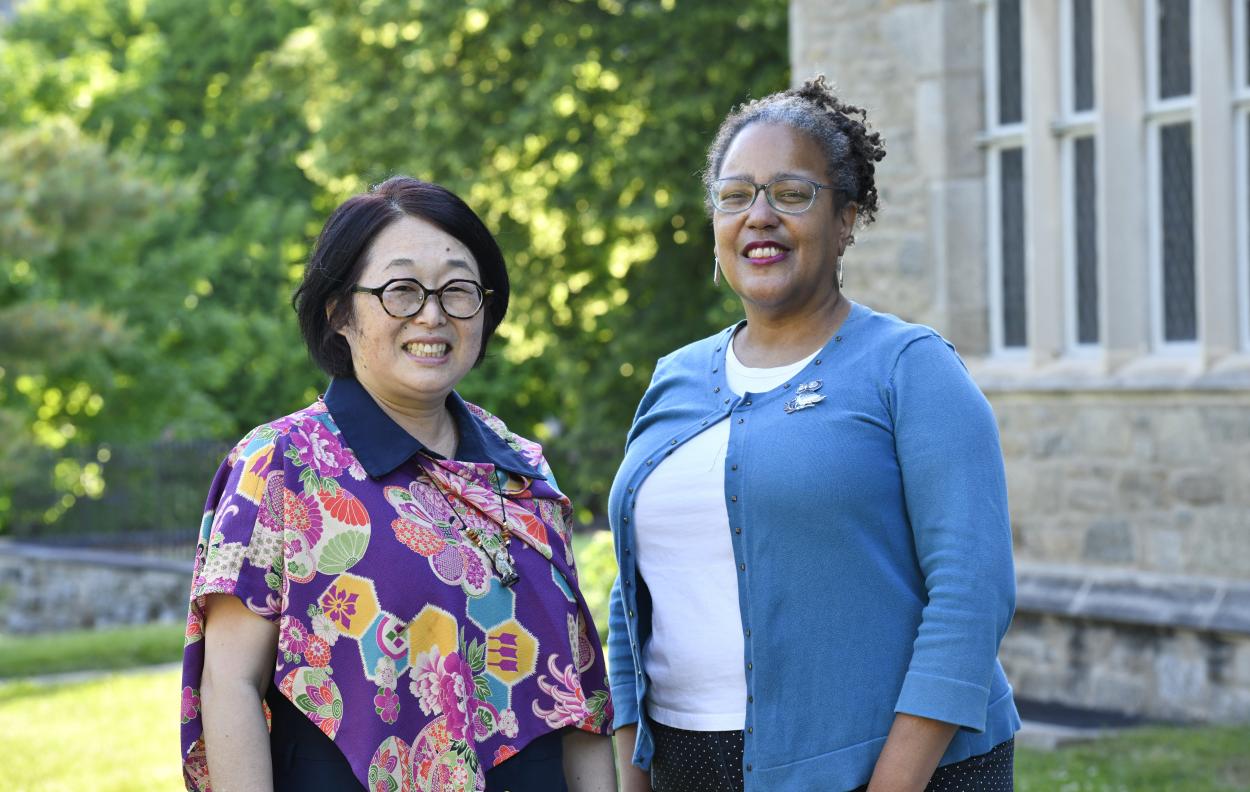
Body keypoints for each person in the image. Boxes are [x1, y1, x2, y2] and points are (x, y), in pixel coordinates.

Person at [606, 77, 1020, 792]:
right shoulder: (673, 377)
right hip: (689, 762)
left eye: (791, 194)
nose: (758, 216)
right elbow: (631, 598)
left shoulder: (908, 368)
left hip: (896, 766)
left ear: (848, 218)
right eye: (735, 196)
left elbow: (971, 591)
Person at [179, 176, 615, 792]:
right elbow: (230, 686)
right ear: (339, 312)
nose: (433, 314)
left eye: (458, 289)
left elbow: (577, 701)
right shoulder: (281, 466)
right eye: (402, 290)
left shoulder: (521, 471)